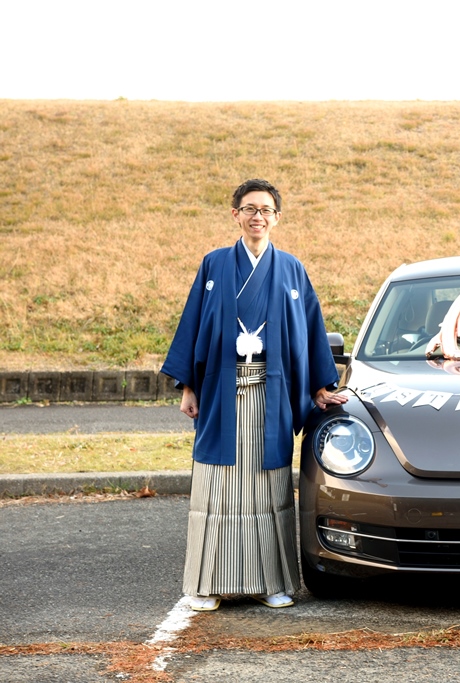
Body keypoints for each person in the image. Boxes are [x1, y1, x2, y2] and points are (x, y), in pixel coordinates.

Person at [161, 179, 346, 611]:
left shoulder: (292, 269)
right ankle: (207, 585)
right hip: (221, 393)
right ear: (235, 215)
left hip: (272, 392)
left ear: (276, 217)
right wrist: (189, 386)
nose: (257, 216)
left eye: (265, 209)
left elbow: (310, 327)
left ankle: (271, 582)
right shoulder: (214, 265)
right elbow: (194, 325)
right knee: (218, 486)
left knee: (267, 488)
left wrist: (319, 385)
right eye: (249, 209)